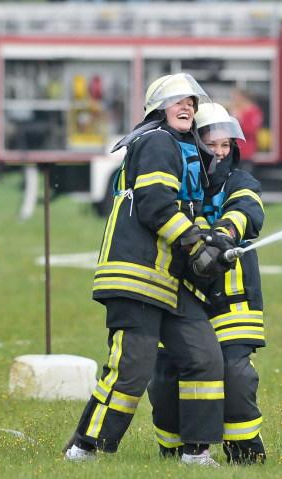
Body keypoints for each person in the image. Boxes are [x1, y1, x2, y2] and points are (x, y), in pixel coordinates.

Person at [63, 73, 230, 467]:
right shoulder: (156, 142)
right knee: (131, 370)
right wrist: (194, 244)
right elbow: (156, 205)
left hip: (169, 280)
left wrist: (212, 245)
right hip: (137, 276)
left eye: (191, 101)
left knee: (204, 356)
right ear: (158, 108)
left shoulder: (183, 148)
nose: (187, 106)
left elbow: (187, 211)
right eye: (177, 101)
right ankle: (84, 449)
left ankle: (196, 453)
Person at [148, 102, 267, 465]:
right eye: (212, 143)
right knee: (167, 375)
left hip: (233, 295)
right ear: (194, 143)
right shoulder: (182, 182)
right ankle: (173, 449)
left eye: (226, 145)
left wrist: (222, 234)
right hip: (182, 295)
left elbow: (247, 210)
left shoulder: (239, 181)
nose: (220, 152)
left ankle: (244, 451)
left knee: (234, 373)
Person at [230, 88, 263, 171]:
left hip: (246, 152)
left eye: (236, 98)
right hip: (234, 150)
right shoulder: (237, 110)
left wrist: (239, 119)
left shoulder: (253, 111)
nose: (234, 100)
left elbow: (251, 131)